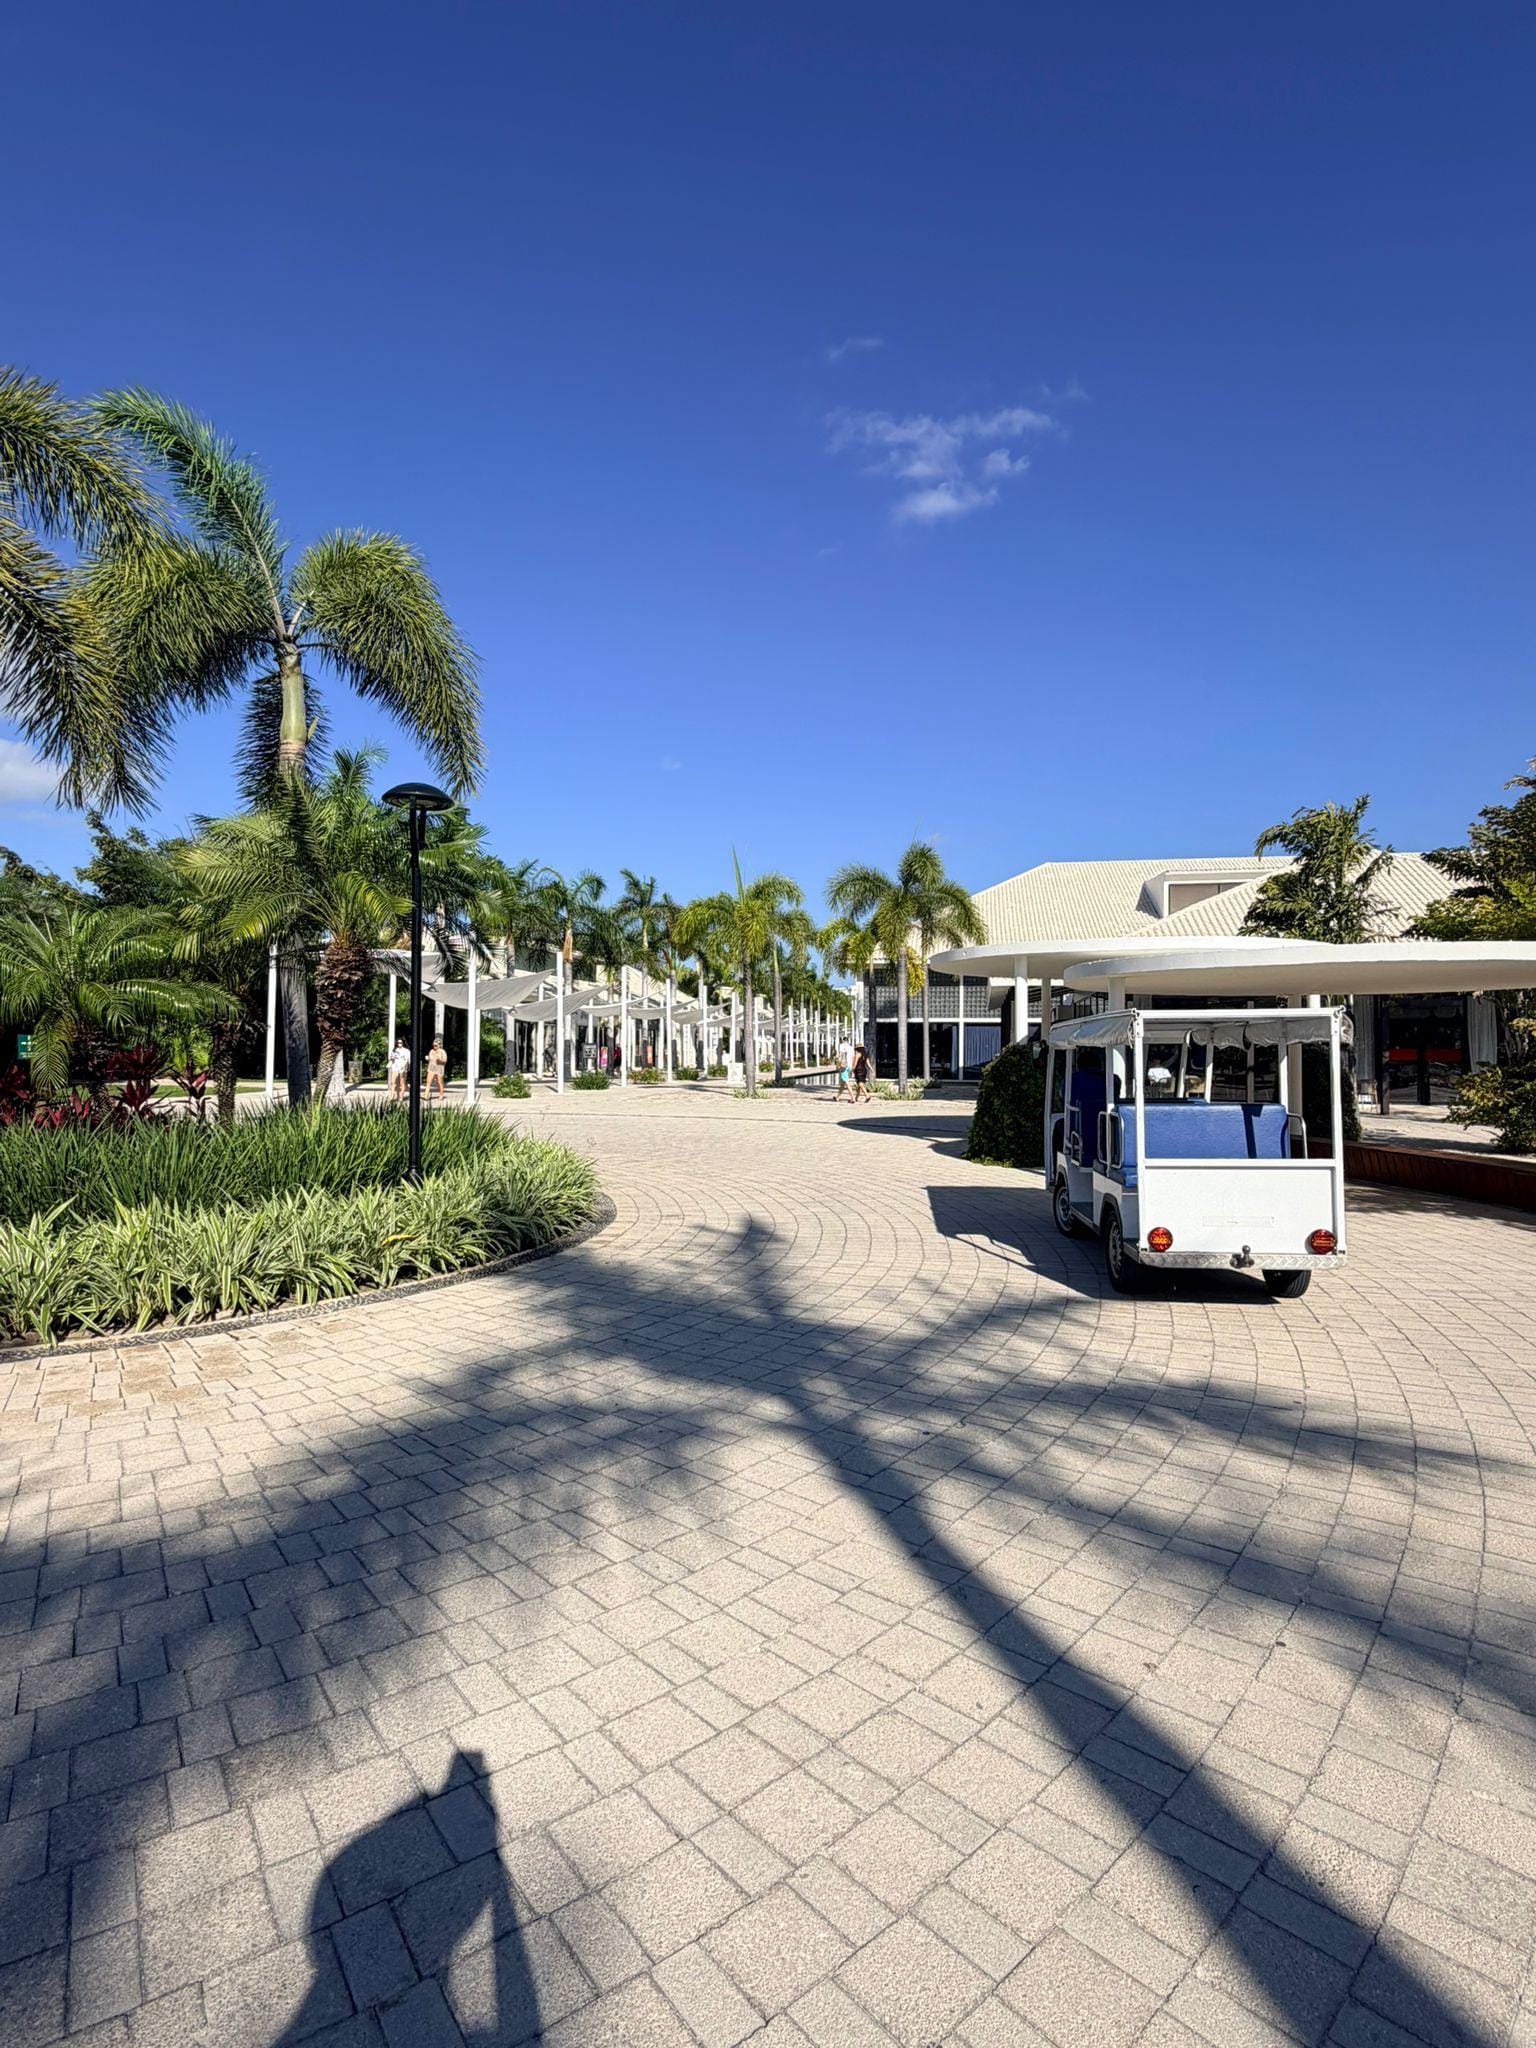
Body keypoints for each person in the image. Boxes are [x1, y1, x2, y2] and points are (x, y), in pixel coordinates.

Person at [387, 1038, 411, 1103]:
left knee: (401, 1083)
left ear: (403, 1043)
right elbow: (391, 1059)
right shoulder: (394, 1050)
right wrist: (392, 1058)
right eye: (398, 1042)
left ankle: (401, 1098)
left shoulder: (406, 1051)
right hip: (395, 1067)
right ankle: (392, 1096)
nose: (399, 1044)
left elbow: (408, 1060)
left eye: (401, 1042)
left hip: (403, 1068)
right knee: (393, 1083)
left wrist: (407, 1068)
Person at [425, 1036, 448, 1103]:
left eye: (436, 1045)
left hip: (439, 1069)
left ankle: (441, 1094)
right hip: (431, 1068)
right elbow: (430, 1059)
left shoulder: (442, 1051)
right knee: (428, 1082)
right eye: (434, 1045)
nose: (434, 1046)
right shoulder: (431, 1051)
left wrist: (440, 1059)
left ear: (439, 1045)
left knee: (439, 1082)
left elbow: (445, 1060)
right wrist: (428, 1058)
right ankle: (426, 1095)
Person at [833, 1038, 855, 1102]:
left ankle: (853, 1098)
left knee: (846, 1082)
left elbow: (840, 1054)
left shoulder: (842, 1045)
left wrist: (837, 1059)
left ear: (843, 1040)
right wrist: (852, 1066)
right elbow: (853, 1057)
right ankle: (837, 1097)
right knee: (843, 1083)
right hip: (849, 1066)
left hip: (844, 1066)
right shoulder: (851, 1047)